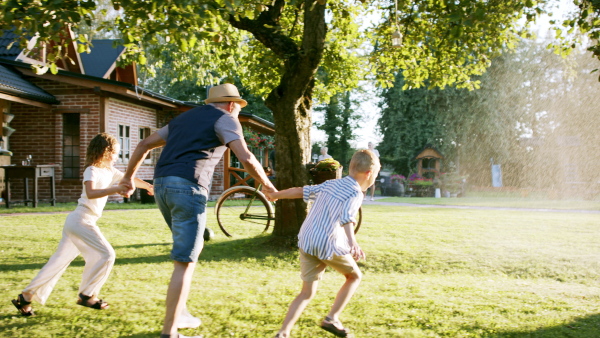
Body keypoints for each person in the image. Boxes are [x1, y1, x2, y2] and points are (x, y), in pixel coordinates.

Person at [119, 83, 277, 338]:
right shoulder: (226, 119)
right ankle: (170, 332)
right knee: (185, 261)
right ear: (231, 104)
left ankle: (179, 314)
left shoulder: (184, 118)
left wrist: (128, 178)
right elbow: (246, 157)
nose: (237, 110)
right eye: (237, 106)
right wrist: (268, 187)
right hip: (187, 187)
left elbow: (143, 144)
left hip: (161, 186)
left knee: (186, 251)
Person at [11, 133, 153, 316]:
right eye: (115, 153)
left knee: (57, 263)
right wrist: (117, 188)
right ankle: (87, 295)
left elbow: (130, 179)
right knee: (107, 254)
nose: (117, 157)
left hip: (81, 222)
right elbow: (92, 192)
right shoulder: (91, 170)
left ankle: (25, 297)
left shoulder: (111, 171)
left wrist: (149, 186)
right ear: (105, 151)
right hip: (81, 220)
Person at [271, 149, 380, 338]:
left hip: (307, 240)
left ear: (350, 167)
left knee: (306, 292)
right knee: (354, 277)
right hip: (326, 243)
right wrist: (353, 242)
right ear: (369, 174)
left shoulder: (331, 184)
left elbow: (301, 191)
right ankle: (332, 318)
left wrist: (276, 195)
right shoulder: (355, 192)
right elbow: (347, 217)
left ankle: (283, 333)